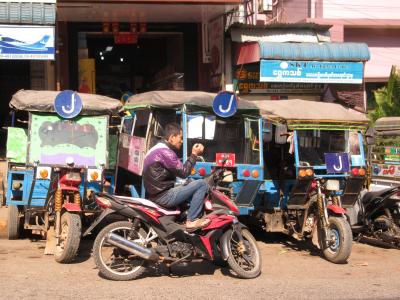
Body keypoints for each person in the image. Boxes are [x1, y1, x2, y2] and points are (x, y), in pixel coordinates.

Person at [143, 123, 211, 230]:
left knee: (190, 181)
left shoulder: (156, 149)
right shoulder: (165, 152)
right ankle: (192, 220)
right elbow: (184, 172)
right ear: (171, 138)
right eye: (180, 138)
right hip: (164, 196)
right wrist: (194, 154)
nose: (182, 141)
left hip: (155, 193)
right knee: (202, 184)